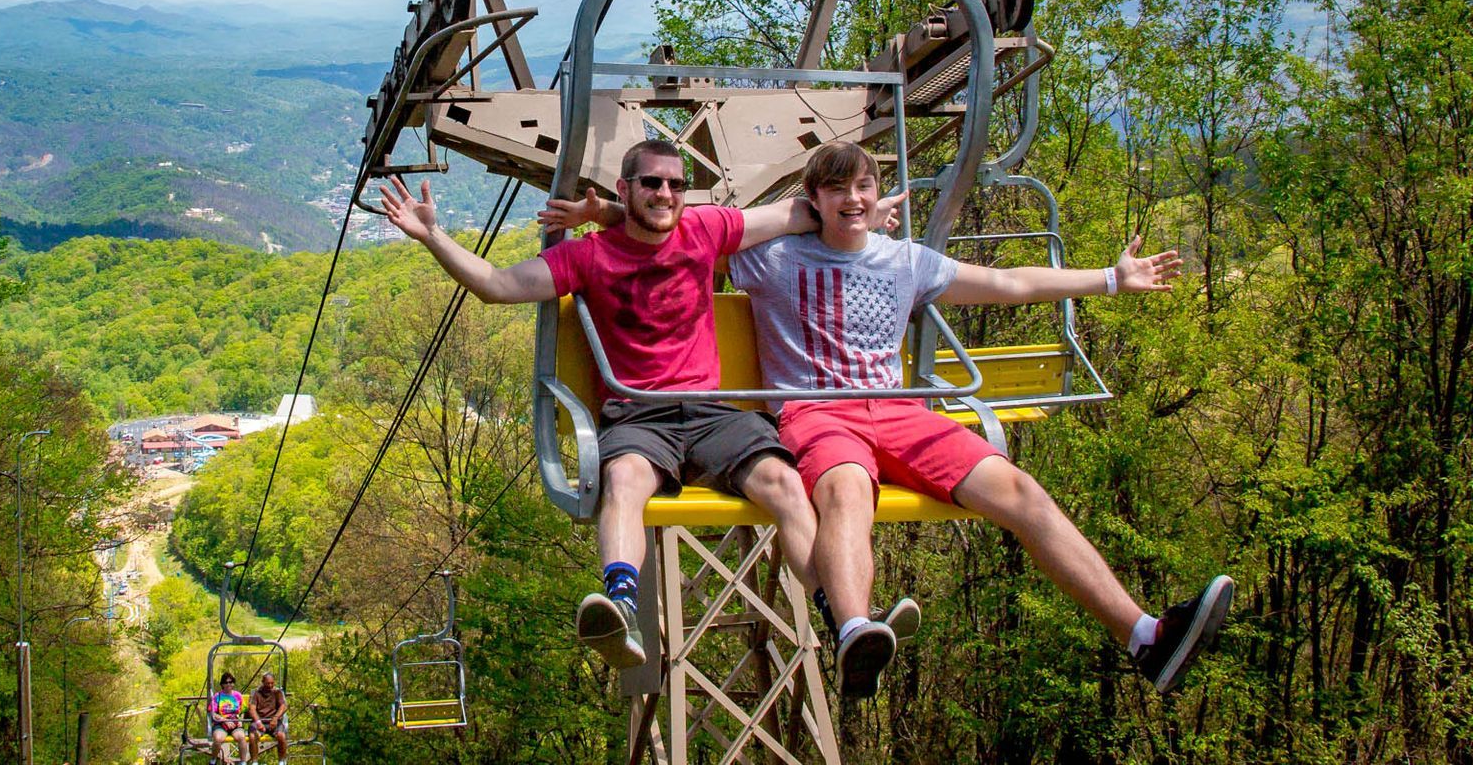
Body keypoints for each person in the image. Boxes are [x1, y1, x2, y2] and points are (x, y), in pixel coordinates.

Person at [723, 140, 1234, 698]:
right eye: (837, 190)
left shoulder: (905, 261)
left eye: (864, 187)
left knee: (1020, 491)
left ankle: (1145, 638)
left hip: (899, 409)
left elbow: (1009, 283)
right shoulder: (774, 259)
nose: (854, 199)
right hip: (819, 410)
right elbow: (690, 238)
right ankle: (853, 632)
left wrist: (1109, 279)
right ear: (812, 198)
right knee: (846, 489)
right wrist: (792, 217)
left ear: (878, 192)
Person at [381, 138, 835, 671]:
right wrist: (432, 236)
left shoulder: (705, 228)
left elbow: (797, 214)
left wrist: (860, 212)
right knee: (623, 480)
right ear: (625, 187)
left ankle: (841, 615)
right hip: (638, 414)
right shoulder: (588, 256)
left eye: (676, 184)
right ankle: (621, 608)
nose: (665, 193)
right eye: (651, 183)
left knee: (784, 482)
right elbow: (498, 285)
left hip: (709, 411)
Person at [208, 672, 249, 763]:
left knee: (241, 737)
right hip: (221, 723)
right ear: (222, 684)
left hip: (235, 722)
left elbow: (243, 710)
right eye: (226, 682)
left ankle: (243, 762)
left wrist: (241, 720)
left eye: (230, 682)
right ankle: (213, 760)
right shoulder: (217, 696)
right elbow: (213, 713)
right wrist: (224, 720)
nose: (228, 684)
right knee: (218, 739)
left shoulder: (238, 695)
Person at [247, 673, 288, 762]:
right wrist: (258, 722)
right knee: (252, 736)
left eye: (272, 683)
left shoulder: (277, 692)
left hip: (274, 721)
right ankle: (254, 762)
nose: (270, 685)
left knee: (281, 736)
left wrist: (275, 718)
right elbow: (252, 709)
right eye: (267, 683)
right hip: (259, 721)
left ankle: (281, 761)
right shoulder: (256, 693)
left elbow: (283, 706)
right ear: (263, 682)